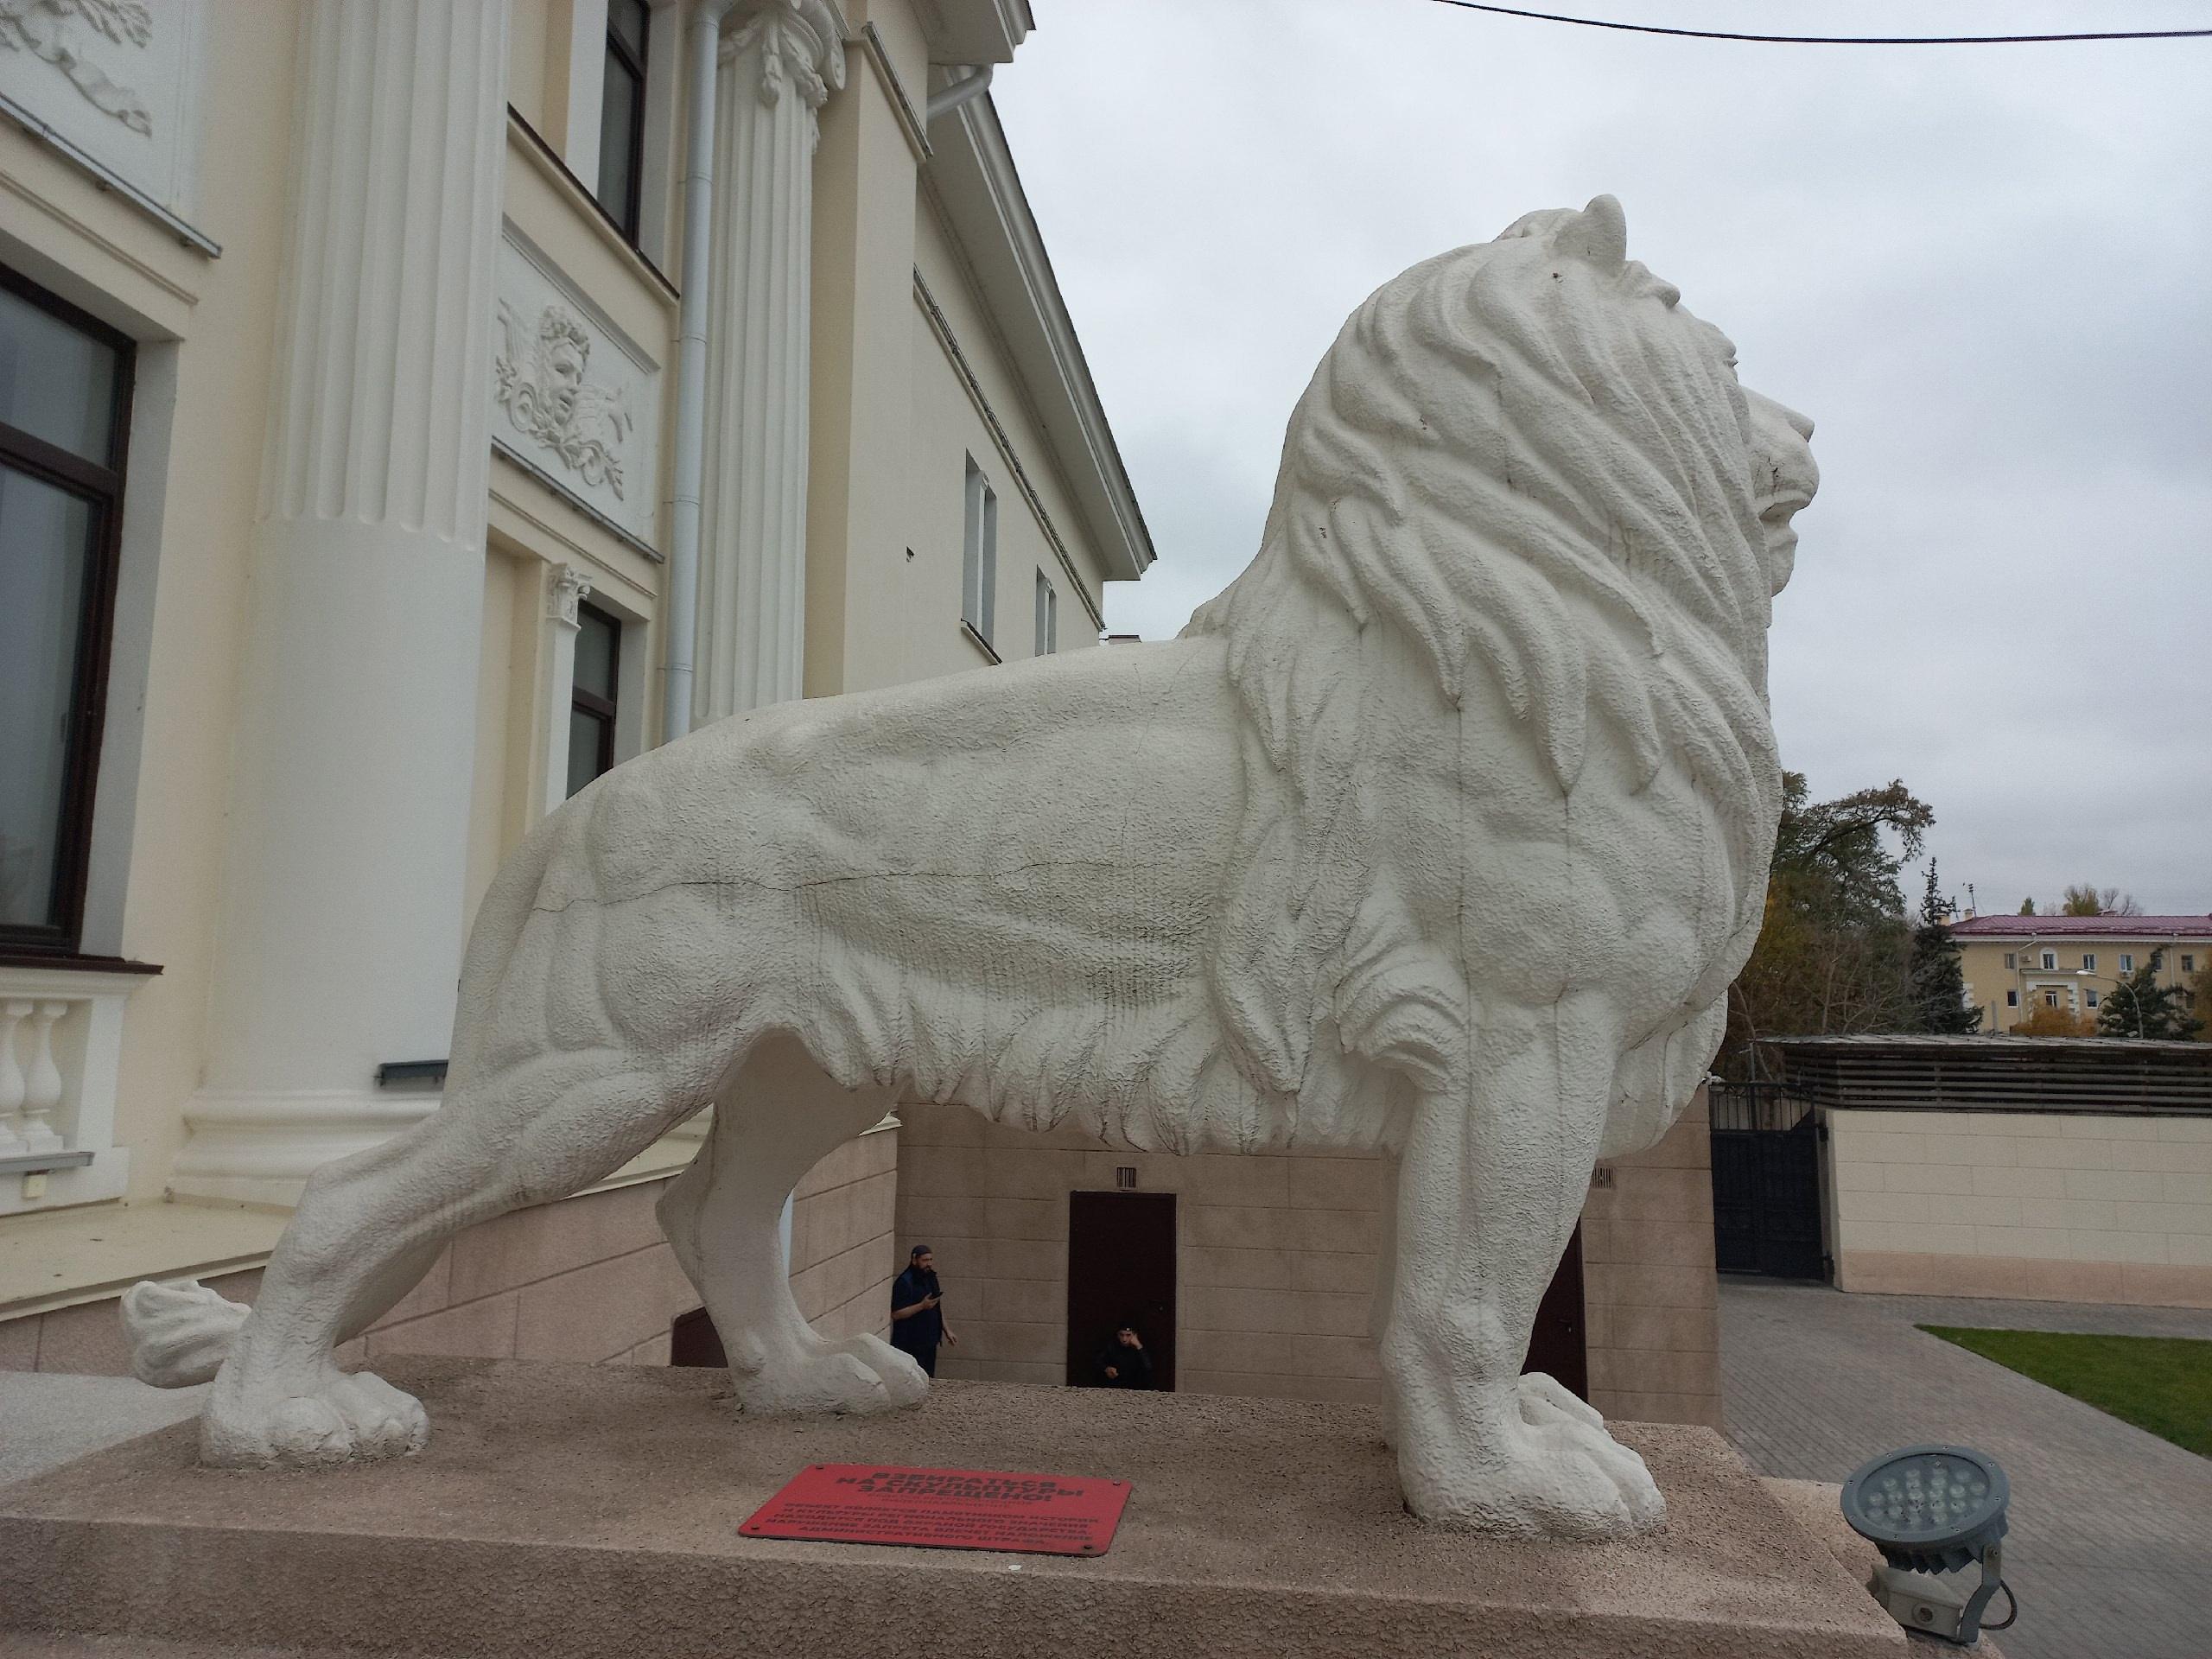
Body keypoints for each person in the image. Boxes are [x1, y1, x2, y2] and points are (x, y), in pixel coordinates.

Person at [888, 1244, 956, 1376]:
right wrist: (921, 1306)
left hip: (929, 1341)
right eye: (925, 1260)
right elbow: (896, 1314)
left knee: (929, 1377)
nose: (929, 1264)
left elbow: (936, 1306)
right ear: (914, 1260)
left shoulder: (931, 1277)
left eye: (930, 1260)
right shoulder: (905, 1282)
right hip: (910, 1343)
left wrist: (947, 1330)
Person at [1094, 1323, 1153, 1389]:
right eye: (1121, 1335)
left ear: (1134, 1335)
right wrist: (1106, 1368)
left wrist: (1139, 1346)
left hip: (1136, 1386)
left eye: (1128, 1335)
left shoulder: (1139, 1348)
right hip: (1115, 1385)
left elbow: (1148, 1367)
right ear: (1118, 1335)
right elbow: (1098, 1361)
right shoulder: (1112, 1346)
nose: (1124, 1339)